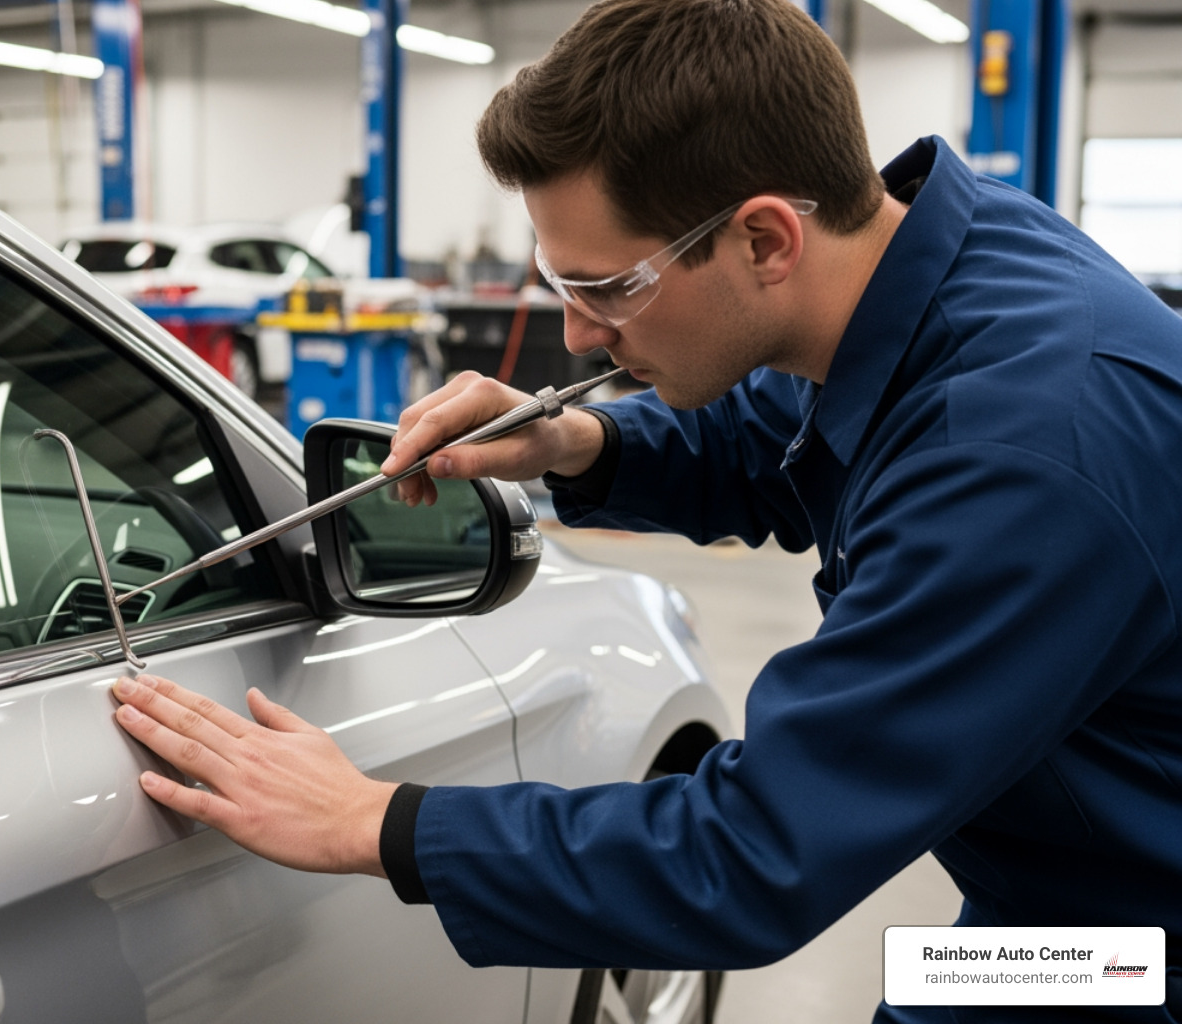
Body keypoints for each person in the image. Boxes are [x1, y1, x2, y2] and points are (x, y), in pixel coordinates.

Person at [109, 0, 1182, 1019]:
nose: (576, 336)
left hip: (1131, 934)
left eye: (609, 289)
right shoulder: (923, 266)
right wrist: (577, 440)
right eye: (559, 281)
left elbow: (752, 851)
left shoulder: (1026, 452)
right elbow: (778, 433)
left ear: (766, 240)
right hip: (1058, 884)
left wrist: (374, 821)